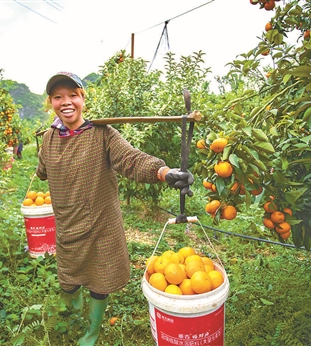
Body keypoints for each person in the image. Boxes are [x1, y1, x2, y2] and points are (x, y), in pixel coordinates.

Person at [36, 71, 194, 346]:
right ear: (51, 102)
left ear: (83, 99)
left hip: (101, 223)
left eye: (73, 95)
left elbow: (131, 159)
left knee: (100, 278)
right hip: (67, 224)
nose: (66, 102)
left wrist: (164, 172)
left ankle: (92, 331)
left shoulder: (102, 134)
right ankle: (73, 317)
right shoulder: (49, 139)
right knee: (69, 278)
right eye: (58, 97)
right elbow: (43, 170)